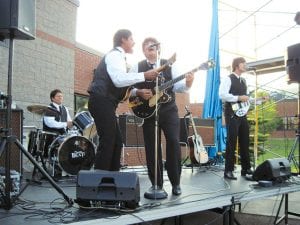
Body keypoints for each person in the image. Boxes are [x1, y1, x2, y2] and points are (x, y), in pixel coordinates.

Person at [130, 37, 194, 196]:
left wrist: (189, 83)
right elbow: (127, 88)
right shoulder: (137, 66)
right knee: (152, 147)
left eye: (154, 47)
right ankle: (156, 184)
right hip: (147, 111)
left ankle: (176, 183)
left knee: (173, 142)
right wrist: (138, 92)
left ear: (159, 50)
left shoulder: (170, 64)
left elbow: (180, 88)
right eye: (148, 47)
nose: (152, 49)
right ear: (144, 50)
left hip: (169, 109)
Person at [87, 29, 158, 171]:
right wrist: (144, 75)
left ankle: (112, 178)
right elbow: (119, 80)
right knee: (108, 141)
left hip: (106, 103)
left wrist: (137, 91)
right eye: (131, 39)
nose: (134, 42)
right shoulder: (115, 55)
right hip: (101, 101)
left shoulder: (120, 58)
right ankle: (99, 180)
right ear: (123, 40)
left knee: (117, 142)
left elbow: (120, 86)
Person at [219, 57, 253, 180]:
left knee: (245, 141)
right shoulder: (228, 79)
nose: (245, 65)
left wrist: (259, 100)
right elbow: (222, 95)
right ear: (237, 65)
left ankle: (246, 168)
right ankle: (228, 171)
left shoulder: (243, 81)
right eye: (244, 63)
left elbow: (246, 98)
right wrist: (238, 98)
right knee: (231, 142)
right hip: (231, 114)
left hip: (242, 114)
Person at [42, 89, 73, 158]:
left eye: (61, 96)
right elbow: (50, 123)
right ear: (52, 98)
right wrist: (66, 124)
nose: (61, 98)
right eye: (58, 96)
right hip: (51, 136)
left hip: (63, 135)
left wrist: (72, 125)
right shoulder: (48, 109)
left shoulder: (65, 108)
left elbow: (69, 121)